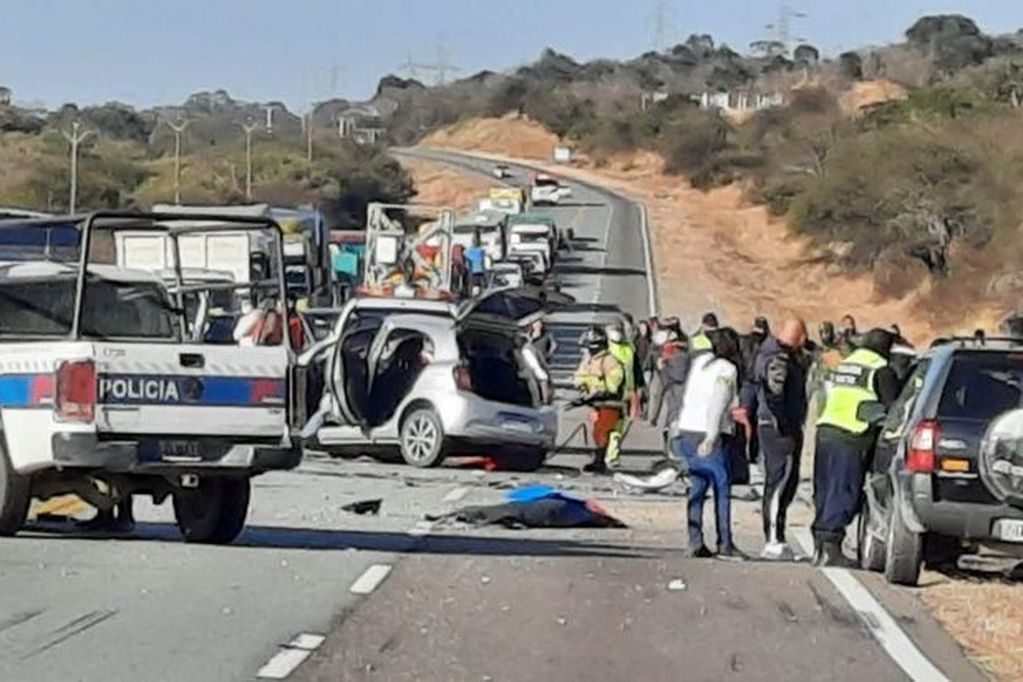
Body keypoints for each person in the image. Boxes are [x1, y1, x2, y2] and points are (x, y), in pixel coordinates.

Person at [812, 328, 901, 566]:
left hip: (825, 429)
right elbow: (892, 409)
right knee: (843, 491)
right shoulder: (880, 369)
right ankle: (831, 549)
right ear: (886, 349)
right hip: (851, 435)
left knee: (824, 489)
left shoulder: (847, 363)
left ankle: (820, 547)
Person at [671, 328, 745, 559]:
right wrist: (712, 437)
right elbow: (718, 402)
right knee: (722, 487)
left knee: (697, 487)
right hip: (706, 431)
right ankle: (725, 542)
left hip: (687, 429)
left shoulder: (701, 363)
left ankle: (695, 540)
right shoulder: (727, 369)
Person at [753, 317, 809, 560]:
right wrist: (784, 425)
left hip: (775, 425)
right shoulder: (779, 359)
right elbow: (774, 393)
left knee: (786, 482)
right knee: (779, 482)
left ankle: (778, 536)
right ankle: (773, 539)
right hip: (778, 429)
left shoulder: (771, 354)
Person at [573, 326, 626, 474]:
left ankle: (600, 461)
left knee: (602, 432)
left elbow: (613, 384)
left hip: (610, 404)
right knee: (597, 432)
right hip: (596, 404)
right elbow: (580, 376)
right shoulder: (590, 361)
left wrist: (597, 391)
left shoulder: (610, 361)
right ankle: (598, 460)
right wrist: (582, 387)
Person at [606, 319, 637, 467]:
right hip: (608, 393)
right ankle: (608, 455)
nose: (617, 333)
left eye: (619, 330)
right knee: (609, 426)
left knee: (619, 427)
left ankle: (612, 455)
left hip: (625, 394)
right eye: (614, 330)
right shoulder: (605, 348)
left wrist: (636, 390)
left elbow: (634, 370)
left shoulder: (629, 349)